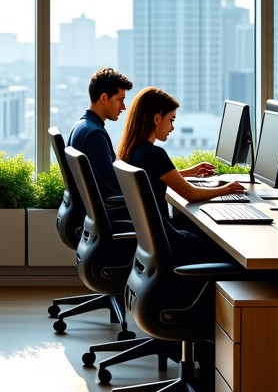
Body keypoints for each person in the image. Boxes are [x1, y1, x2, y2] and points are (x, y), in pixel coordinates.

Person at [117, 87, 243, 263]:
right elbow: (191, 194)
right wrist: (226, 189)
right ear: (157, 119)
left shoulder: (133, 152)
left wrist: (188, 172)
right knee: (228, 244)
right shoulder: (155, 154)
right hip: (171, 241)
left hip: (159, 239)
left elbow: (153, 175)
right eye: (171, 120)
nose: (172, 127)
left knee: (195, 224)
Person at [68, 67, 134, 205]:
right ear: (104, 98)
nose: (123, 107)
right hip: (110, 214)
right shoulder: (95, 135)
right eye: (120, 100)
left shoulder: (81, 125)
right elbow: (112, 186)